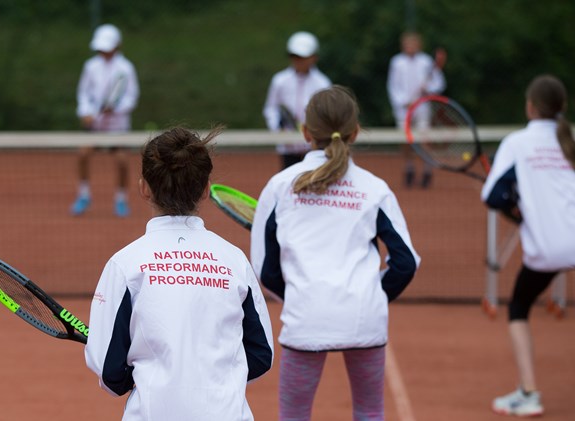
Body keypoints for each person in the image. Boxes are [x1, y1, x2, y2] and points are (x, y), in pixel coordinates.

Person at [251, 86, 420, 420]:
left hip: (306, 317)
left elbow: (264, 268)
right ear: (355, 132)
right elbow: (406, 262)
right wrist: (373, 295)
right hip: (364, 318)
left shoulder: (280, 186)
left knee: (294, 414)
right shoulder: (374, 189)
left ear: (304, 132)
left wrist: (299, 295)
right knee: (370, 411)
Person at [85, 127, 274, 421]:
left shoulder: (124, 264)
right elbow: (261, 355)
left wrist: (143, 380)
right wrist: (216, 379)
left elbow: (109, 372)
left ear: (144, 187)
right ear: (205, 188)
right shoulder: (235, 260)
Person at [482, 74, 575, 417]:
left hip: (547, 250)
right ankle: (527, 392)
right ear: (563, 107)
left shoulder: (517, 143)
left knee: (518, 309)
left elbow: (492, 196)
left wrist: (518, 212)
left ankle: (529, 393)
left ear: (530, 107)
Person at [71, 23, 140, 217]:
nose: (104, 52)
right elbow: (83, 93)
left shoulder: (126, 68)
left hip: (118, 127)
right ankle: (83, 195)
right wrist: (85, 112)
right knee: (83, 154)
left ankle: (121, 199)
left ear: (117, 46)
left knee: (121, 160)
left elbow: (131, 97)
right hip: (95, 125)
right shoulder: (90, 66)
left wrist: (116, 108)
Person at [263, 31, 332, 169]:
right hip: (288, 148)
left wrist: (317, 135)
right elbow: (271, 108)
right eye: (294, 56)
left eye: (302, 57)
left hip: (315, 148)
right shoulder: (279, 81)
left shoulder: (323, 83)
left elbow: (327, 113)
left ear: (314, 57)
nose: (298, 60)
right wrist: (278, 129)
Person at [387, 31, 446, 188]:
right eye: (407, 44)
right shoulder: (396, 62)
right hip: (403, 109)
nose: (410, 47)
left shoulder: (426, 61)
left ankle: (427, 170)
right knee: (405, 140)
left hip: (422, 106)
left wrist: (428, 89)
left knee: (425, 138)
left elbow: (438, 83)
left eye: (413, 44)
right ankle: (409, 168)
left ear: (419, 45)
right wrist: (403, 101)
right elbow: (393, 86)